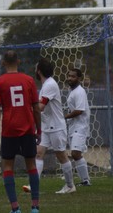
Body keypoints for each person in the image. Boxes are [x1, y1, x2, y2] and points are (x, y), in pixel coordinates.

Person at [0, 50, 42, 213]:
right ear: (18, 62)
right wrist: (39, 130)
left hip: (9, 129)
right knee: (31, 165)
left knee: (7, 167)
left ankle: (15, 208)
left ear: (3, 63)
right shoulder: (29, 80)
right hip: (27, 128)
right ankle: (35, 207)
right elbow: (36, 108)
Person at [23, 58, 76, 195]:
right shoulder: (46, 84)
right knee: (38, 153)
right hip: (46, 126)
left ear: (39, 71)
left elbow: (40, 107)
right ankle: (33, 185)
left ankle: (70, 185)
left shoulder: (50, 84)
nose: (35, 71)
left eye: (36, 68)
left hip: (56, 127)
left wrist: (25, 110)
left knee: (61, 156)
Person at [64, 68, 91, 186]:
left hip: (80, 126)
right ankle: (85, 181)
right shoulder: (73, 91)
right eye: (69, 76)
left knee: (75, 153)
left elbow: (79, 110)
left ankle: (86, 180)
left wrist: (64, 117)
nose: (70, 78)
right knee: (75, 154)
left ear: (79, 78)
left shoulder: (80, 91)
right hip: (74, 126)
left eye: (73, 76)